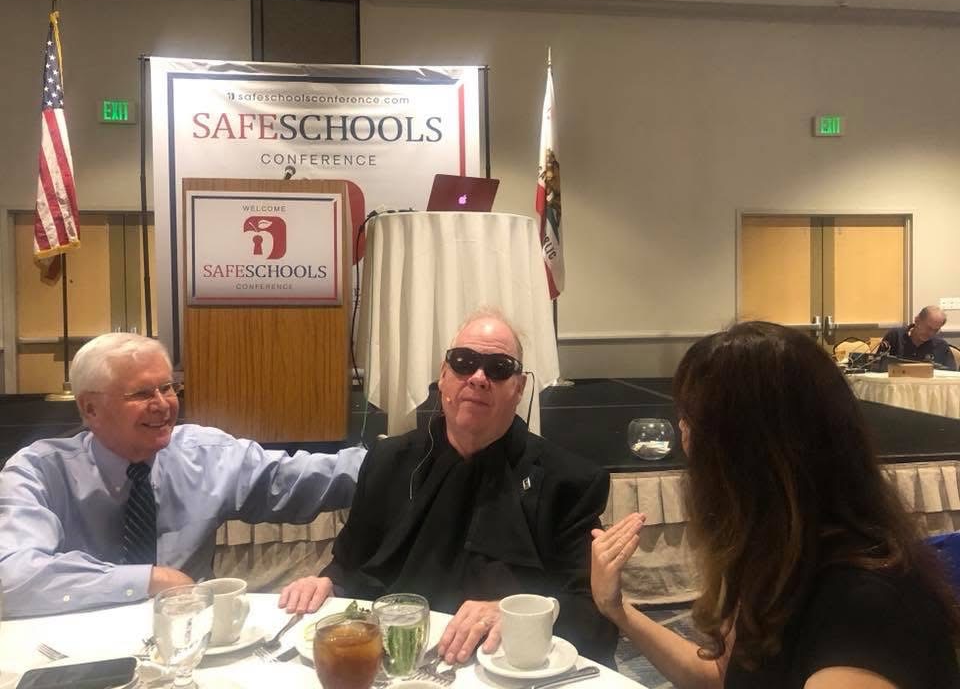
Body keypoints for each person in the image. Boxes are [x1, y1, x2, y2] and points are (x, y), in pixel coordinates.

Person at [591, 321, 960, 689]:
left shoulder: (861, 608)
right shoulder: (778, 555)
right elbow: (720, 678)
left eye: (691, 420)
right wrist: (617, 608)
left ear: (743, 452)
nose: (683, 434)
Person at [279, 309, 619, 666]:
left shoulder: (569, 482)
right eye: (464, 362)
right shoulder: (388, 461)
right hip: (395, 659)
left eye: (499, 368)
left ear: (518, 388)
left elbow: (592, 615)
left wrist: (519, 613)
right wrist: (325, 584)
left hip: (504, 669)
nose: (479, 378)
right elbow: (348, 566)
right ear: (443, 376)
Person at [0, 333, 365, 618]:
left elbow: (305, 478)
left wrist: (394, 458)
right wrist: (150, 580)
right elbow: (10, 577)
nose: (163, 405)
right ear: (90, 408)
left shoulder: (204, 454)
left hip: (191, 640)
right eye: (141, 393)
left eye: (168, 387)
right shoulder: (39, 471)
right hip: (77, 648)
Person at [879, 305, 957, 370]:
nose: (931, 333)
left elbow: (951, 375)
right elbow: (878, 366)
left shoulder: (941, 345)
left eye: (936, 330)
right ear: (917, 321)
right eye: (928, 328)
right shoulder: (894, 336)